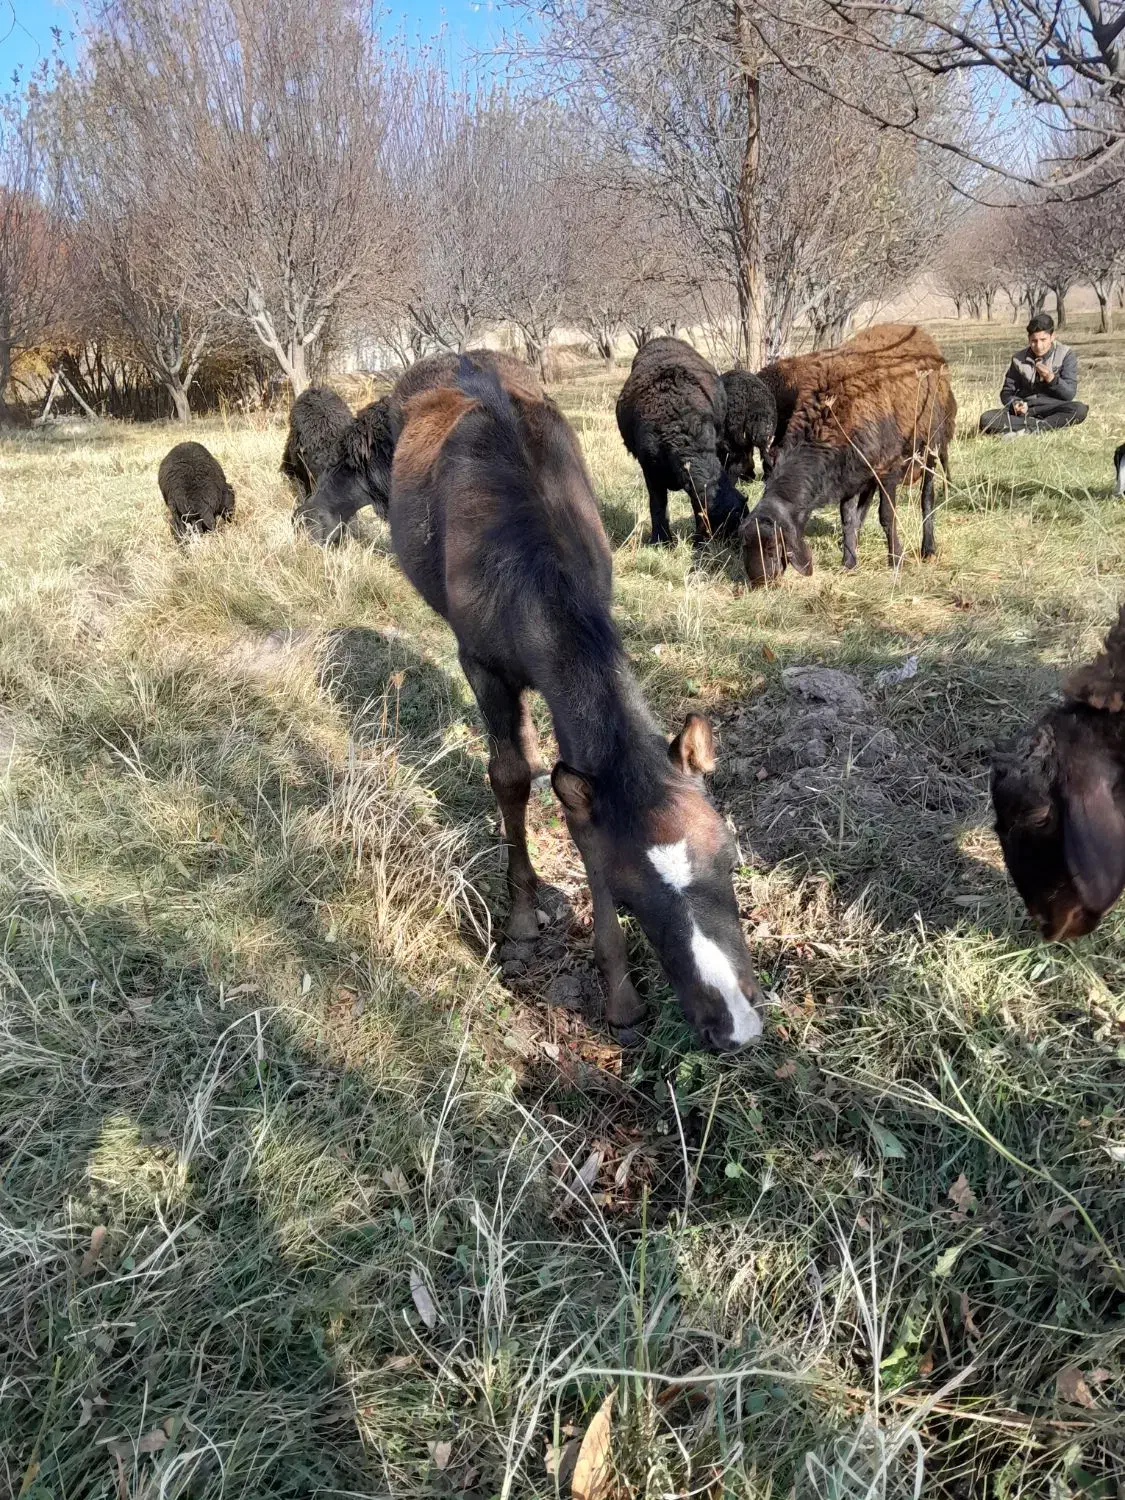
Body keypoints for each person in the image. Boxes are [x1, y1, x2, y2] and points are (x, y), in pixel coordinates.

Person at [978, 313, 1088, 436]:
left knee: (1079, 409)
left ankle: (1030, 428)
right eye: (1034, 341)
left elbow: (1069, 394)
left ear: (1052, 337)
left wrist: (1051, 378)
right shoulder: (1018, 359)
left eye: (1043, 340)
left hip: (1053, 407)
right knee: (986, 419)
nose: (1039, 346)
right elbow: (1007, 393)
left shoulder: (1066, 354)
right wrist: (1016, 403)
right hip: (1027, 410)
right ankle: (1041, 427)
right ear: (1028, 339)